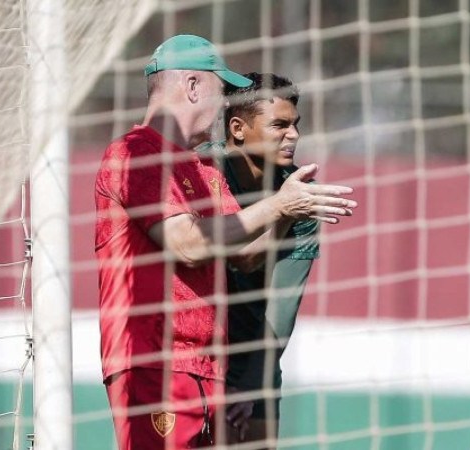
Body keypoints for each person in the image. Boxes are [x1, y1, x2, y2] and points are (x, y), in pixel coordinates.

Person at [95, 35, 357, 450]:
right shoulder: (134, 153)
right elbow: (185, 243)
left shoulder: (205, 172)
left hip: (210, 371)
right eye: (220, 94)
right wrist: (278, 207)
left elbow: (248, 258)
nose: (222, 108)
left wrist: (287, 210)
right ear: (194, 87)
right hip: (156, 362)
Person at [205, 73, 321, 447]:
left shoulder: (303, 194)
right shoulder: (198, 174)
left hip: (255, 357)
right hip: (192, 353)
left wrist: (249, 386)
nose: (294, 136)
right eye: (280, 125)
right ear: (237, 128)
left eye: (295, 125)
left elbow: (281, 306)